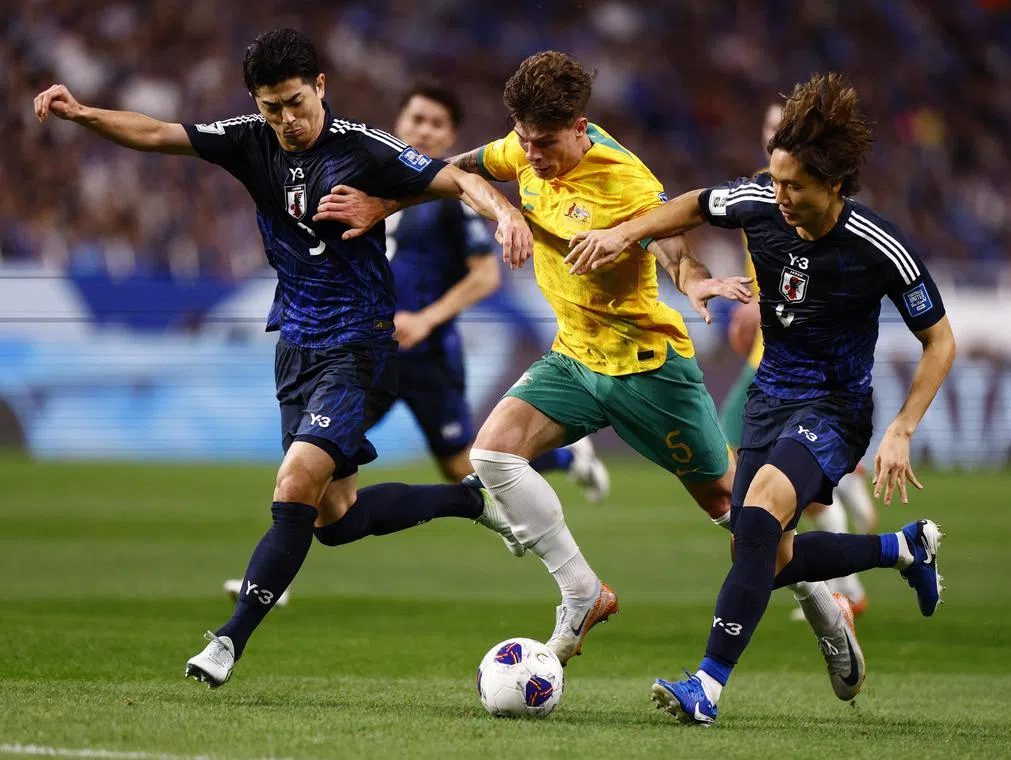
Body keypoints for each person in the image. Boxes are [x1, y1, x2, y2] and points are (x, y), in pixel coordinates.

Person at [318, 52, 870, 705]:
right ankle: (582, 593)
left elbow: (670, 233)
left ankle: (827, 611)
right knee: (492, 451)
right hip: (575, 356)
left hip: (647, 368)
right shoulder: (522, 146)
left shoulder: (624, 180)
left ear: (580, 127)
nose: (533, 155)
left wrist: (692, 279)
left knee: (744, 519)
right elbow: (459, 170)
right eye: (524, 139)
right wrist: (393, 201)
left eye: (546, 143)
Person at [34, 28, 535, 689]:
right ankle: (470, 503)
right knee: (336, 520)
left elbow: (452, 177)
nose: (287, 120)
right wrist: (84, 114)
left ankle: (226, 641)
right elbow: (160, 135)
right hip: (295, 346)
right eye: (272, 107)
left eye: (296, 103)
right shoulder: (250, 139)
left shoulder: (362, 148)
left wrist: (503, 214)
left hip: (358, 345)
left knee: (294, 482)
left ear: (320, 86)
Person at [568, 72, 956, 725]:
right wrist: (625, 235)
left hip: (833, 409)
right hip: (769, 399)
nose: (778, 196)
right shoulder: (757, 200)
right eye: (774, 180)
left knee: (754, 522)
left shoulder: (879, 247)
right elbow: (693, 203)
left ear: (835, 186)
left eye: (794, 186)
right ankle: (904, 549)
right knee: (764, 559)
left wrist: (903, 429)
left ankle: (706, 688)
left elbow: (939, 341)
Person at [321, 84, 609, 495]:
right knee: (324, 446)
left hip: (428, 356)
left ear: (450, 138)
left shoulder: (452, 197)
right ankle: (316, 520)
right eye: (417, 119)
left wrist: (425, 319)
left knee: (463, 467)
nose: (424, 131)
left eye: (436, 124)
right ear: (398, 123)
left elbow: (486, 275)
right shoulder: (366, 187)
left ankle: (567, 456)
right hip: (368, 350)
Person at [720, 101, 875, 619]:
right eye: (768, 129)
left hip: (792, 370)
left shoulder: (811, 205)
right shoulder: (761, 197)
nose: (772, 139)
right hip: (766, 360)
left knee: (770, 485)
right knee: (762, 480)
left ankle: (845, 586)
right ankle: (844, 488)